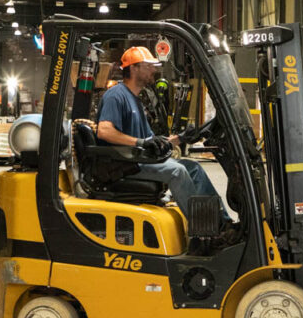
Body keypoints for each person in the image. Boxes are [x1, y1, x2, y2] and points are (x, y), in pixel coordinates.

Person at [97, 46, 231, 224]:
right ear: (134, 68)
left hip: (140, 160)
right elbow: (104, 131)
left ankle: (222, 222)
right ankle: (204, 225)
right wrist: (140, 142)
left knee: (193, 168)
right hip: (125, 165)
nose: (154, 69)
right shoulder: (116, 95)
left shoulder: (136, 100)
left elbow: (153, 142)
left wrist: (182, 138)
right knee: (177, 171)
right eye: (149, 66)